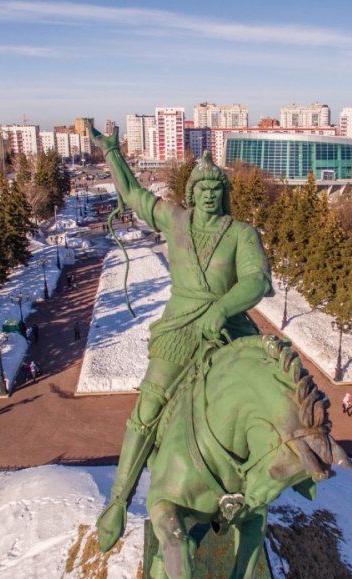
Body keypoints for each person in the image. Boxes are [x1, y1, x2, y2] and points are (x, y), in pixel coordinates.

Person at [88, 120, 273, 553]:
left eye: (216, 187)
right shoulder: (175, 221)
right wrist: (112, 153)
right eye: (202, 187)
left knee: (278, 390)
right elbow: (134, 196)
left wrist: (224, 308)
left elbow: (257, 281)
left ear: (224, 193)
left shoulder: (242, 233)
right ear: (191, 193)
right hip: (181, 326)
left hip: (230, 328)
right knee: (148, 405)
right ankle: (118, 503)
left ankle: (271, 480)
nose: (209, 193)